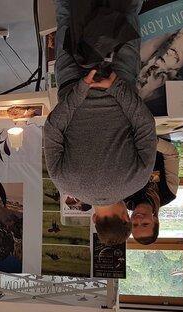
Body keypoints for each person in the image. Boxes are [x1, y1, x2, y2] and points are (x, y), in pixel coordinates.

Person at [44, 0, 157, 246]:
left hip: (119, 76)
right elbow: (52, 129)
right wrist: (81, 89)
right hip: (73, 80)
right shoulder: (64, 182)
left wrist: (114, 86)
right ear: (95, 218)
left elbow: (145, 125)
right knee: (66, 15)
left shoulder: (138, 179)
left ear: (126, 218)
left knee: (126, 13)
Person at [124, 138, 180, 245]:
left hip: (127, 136)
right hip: (157, 133)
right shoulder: (168, 193)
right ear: (155, 220)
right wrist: (147, 139)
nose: (138, 219)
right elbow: (172, 154)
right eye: (145, 224)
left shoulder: (125, 199)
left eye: (135, 225)